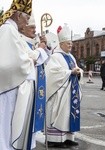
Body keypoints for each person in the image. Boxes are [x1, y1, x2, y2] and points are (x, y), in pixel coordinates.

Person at [0, 0, 39, 149]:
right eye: (26, 18)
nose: (27, 21)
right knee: (5, 127)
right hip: (7, 90)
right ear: (17, 15)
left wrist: (28, 59)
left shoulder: (12, 31)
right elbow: (6, 63)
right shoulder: (7, 30)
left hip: (12, 88)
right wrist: (29, 62)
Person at [45, 24, 83, 148]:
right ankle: (54, 140)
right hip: (59, 92)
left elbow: (76, 69)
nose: (70, 46)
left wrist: (79, 72)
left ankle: (68, 137)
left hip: (71, 92)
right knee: (59, 115)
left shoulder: (71, 57)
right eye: (68, 43)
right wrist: (69, 72)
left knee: (68, 115)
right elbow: (52, 73)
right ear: (61, 44)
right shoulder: (55, 56)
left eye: (71, 44)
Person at [19, 13, 50, 148]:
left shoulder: (32, 43)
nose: (35, 30)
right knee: (24, 120)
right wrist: (40, 48)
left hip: (36, 88)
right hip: (25, 89)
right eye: (31, 27)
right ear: (22, 28)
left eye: (35, 27)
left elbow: (46, 60)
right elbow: (32, 59)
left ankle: (30, 144)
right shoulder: (20, 42)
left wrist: (44, 46)